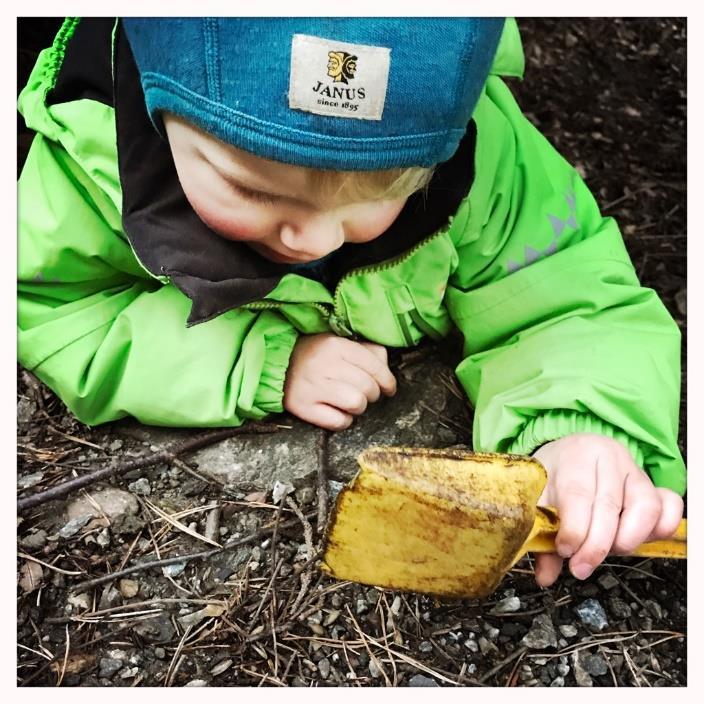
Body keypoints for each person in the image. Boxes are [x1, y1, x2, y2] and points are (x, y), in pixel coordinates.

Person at [18, 17, 685, 587]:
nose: (312, 237)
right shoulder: (89, 164)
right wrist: (260, 361)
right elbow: (52, 307)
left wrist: (579, 426)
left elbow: (566, 295)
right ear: (156, 105)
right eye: (252, 190)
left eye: (374, 196)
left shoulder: (487, 157)